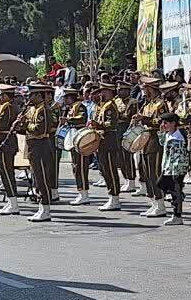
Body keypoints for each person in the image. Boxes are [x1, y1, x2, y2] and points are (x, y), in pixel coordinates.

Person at [132, 78, 171, 217]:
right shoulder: (147, 104)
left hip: (155, 140)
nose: (143, 92)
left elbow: (161, 121)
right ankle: (153, 202)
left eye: (145, 89)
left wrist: (144, 119)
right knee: (146, 173)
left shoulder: (160, 104)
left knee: (155, 173)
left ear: (151, 89)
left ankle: (160, 204)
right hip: (145, 140)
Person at [91, 80, 127, 211]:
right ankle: (111, 195)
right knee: (105, 169)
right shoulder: (103, 105)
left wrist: (98, 125)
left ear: (110, 92)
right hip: (102, 139)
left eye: (104, 91)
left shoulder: (111, 105)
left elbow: (111, 124)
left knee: (111, 169)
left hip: (110, 139)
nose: (101, 93)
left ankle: (115, 197)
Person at [23, 83, 56, 222]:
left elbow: (40, 130)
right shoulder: (32, 109)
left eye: (31, 95)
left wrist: (26, 125)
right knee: (37, 178)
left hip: (41, 146)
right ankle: (41, 207)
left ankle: (46, 208)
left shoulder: (44, 110)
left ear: (38, 95)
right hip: (33, 147)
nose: (29, 97)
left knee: (42, 178)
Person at [0, 84, 21, 216]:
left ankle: (14, 203)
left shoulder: (7, 107)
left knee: (7, 173)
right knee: (3, 170)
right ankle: (11, 200)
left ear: (8, 96)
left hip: (5, 142)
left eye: (2, 95)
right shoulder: (7, 106)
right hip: (3, 142)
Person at [156, 112, 189, 225]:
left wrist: (175, 171)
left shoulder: (177, 137)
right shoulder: (168, 134)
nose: (163, 125)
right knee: (160, 184)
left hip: (176, 169)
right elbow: (162, 144)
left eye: (165, 123)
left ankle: (177, 216)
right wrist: (160, 133)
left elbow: (178, 156)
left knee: (175, 191)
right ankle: (180, 196)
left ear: (173, 123)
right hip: (167, 167)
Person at [61, 86, 91, 205]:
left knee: (81, 166)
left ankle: (84, 193)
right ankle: (81, 192)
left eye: (66, 98)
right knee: (76, 166)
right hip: (73, 137)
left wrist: (68, 119)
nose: (65, 100)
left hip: (81, 138)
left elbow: (81, 118)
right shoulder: (70, 107)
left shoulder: (80, 106)